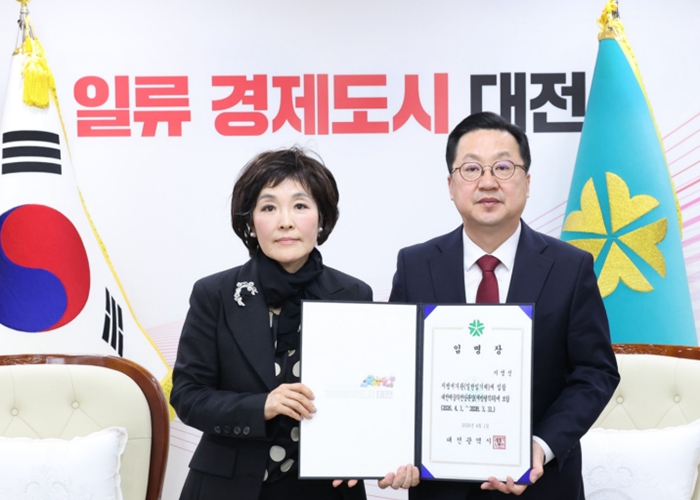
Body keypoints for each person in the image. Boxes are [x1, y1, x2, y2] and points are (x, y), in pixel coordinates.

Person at [382, 111, 620, 499]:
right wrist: (389, 447)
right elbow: (394, 367)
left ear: (527, 182)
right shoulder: (415, 265)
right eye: (471, 168)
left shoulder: (570, 267)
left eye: (504, 167)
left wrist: (540, 446)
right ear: (451, 185)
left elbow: (595, 372)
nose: (488, 182)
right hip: (441, 487)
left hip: (541, 484)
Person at [171, 147, 372, 500]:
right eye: (268, 207)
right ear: (250, 223)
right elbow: (187, 396)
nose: (285, 221)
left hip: (326, 488)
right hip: (227, 487)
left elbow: (372, 393)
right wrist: (260, 406)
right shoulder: (215, 294)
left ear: (322, 218)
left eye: (300, 205)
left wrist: (371, 451)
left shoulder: (353, 295)